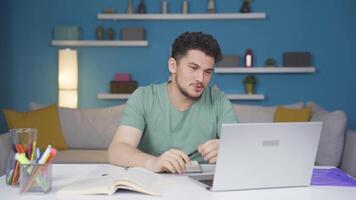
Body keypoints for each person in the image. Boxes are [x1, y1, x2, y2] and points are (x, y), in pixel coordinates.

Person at [108, 32, 238, 174]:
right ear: (173, 66)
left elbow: (242, 148)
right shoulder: (143, 97)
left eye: (207, 72)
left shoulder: (219, 100)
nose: (201, 78)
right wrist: (154, 162)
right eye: (193, 68)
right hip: (154, 182)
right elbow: (117, 150)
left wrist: (228, 149)